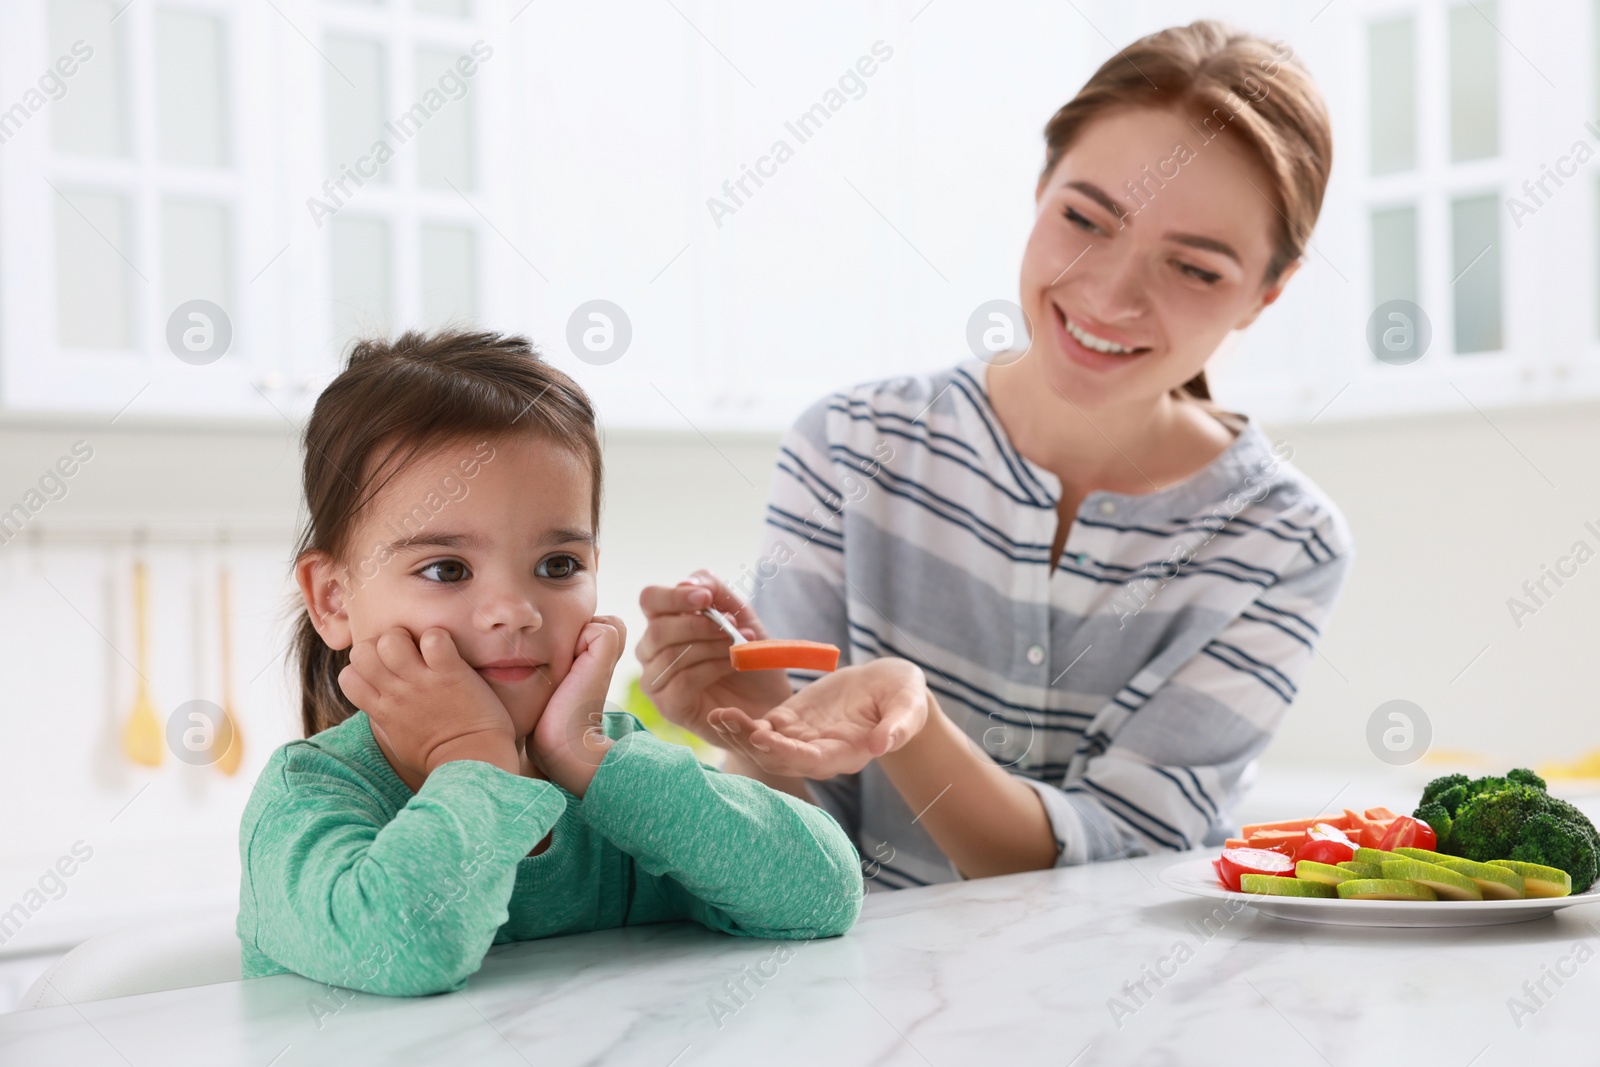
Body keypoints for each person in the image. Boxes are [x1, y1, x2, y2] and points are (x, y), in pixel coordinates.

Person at [636, 21, 1353, 889]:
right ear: (1042, 186)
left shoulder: (1283, 538)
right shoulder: (849, 447)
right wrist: (752, 729)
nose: (1111, 293)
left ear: (1266, 294)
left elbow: (1126, 855)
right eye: (1086, 218)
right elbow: (805, 843)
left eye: (1195, 269)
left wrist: (911, 721)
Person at [237, 330, 863, 996]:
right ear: (334, 599)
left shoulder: (617, 776)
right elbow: (408, 945)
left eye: (557, 565)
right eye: (446, 569)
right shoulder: (306, 795)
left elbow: (824, 896)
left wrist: (591, 760)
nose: (515, 611)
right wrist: (471, 755)